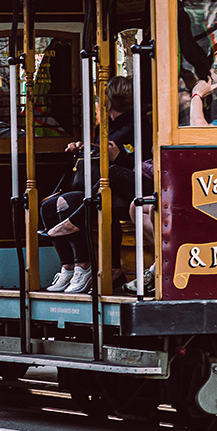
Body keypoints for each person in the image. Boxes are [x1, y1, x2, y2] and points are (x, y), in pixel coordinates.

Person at [40, 76, 137, 294]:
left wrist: (119, 157)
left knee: (69, 202)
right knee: (48, 205)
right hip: (98, 189)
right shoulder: (105, 127)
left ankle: (86, 266)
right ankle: (69, 267)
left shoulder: (138, 125)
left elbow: (145, 164)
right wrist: (82, 149)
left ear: (108, 101)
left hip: (125, 192)